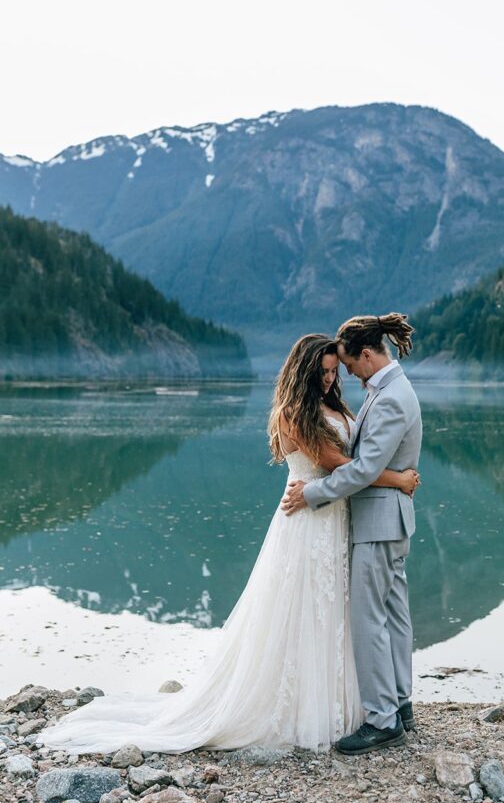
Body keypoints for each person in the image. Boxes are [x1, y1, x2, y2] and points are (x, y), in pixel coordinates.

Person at [37, 334, 419, 754]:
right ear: (303, 371)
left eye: (333, 370)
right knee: (302, 610)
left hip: (335, 519)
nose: (330, 379)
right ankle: (306, 707)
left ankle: (354, 704)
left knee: (335, 613)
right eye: (323, 371)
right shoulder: (294, 413)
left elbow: (357, 463)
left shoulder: (336, 406)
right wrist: (397, 479)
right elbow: (342, 466)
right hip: (306, 519)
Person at [282, 313, 422, 755]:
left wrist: (313, 494)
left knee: (369, 619)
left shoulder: (391, 397)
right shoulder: (387, 392)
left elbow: (362, 469)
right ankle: (400, 705)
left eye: (346, 365)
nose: (345, 375)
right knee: (394, 614)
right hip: (386, 520)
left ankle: (382, 720)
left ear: (366, 355)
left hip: (379, 522)